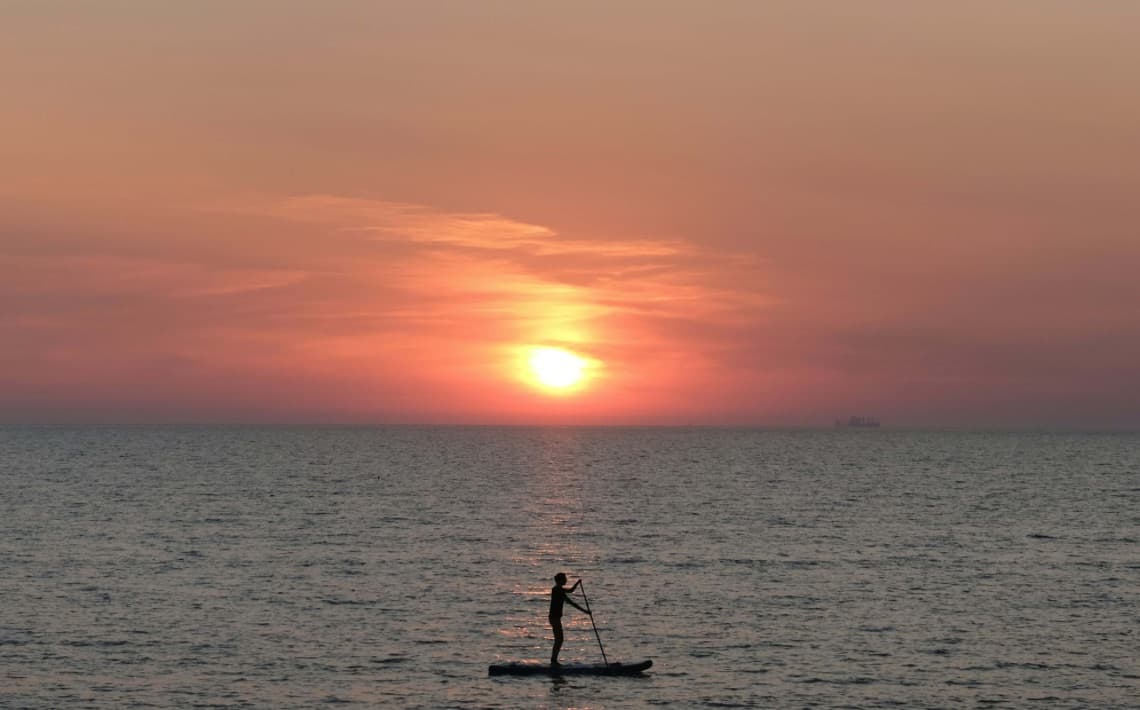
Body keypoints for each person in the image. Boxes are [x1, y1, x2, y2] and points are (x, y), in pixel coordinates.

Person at [549, 572, 589, 666]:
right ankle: (553, 661)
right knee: (559, 639)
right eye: (565, 579)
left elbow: (571, 590)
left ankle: (553, 660)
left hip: (555, 618)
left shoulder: (558, 589)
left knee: (559, 639)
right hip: (554, 618)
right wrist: (585, 611)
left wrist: (577, 583)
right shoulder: (558, 590)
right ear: (560, 580)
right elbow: (571, 603)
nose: (566, 580)